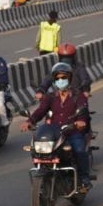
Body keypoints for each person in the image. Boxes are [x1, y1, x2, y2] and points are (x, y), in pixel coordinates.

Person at [24, 62, 94, 191]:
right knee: (37, 150)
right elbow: (40, 111)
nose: (60, 80)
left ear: (70, 78)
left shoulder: (78, 96)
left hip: (72, 132)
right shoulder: (50, 97)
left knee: (79, 149)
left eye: (64, 77)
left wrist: (80, 121)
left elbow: (83, 110)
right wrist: (30, 121)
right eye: (58, 78)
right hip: (54, 134)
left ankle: (84, 178)